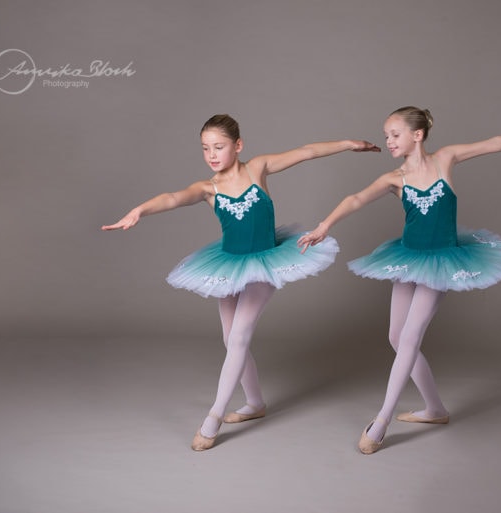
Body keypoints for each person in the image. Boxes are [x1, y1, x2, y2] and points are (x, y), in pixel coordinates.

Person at [298, 106, 501, 454]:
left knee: (409, 337)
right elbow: (355, 199)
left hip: (442, 261)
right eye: (386, 136)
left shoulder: (446, 160)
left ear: (417, 135)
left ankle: (381, 420)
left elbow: (495, 143)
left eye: (394, 135)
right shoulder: (395, 179)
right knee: (396, 336)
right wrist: (324, 225)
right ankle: (435, 409)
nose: (389, 141)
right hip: (408, 258)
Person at [103, 114, 380, 450]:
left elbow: (306, 151)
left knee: (238, 337)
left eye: (218, 147)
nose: (212, 154)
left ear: (238, 145)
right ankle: (254, 404)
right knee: (230, 337)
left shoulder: (257, 169)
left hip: (266, 263)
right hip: (229, 265)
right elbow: (173, 197)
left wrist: (348, 144)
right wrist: (140, 210)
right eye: (205, 148)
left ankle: (213, 418)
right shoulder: (209, 188)